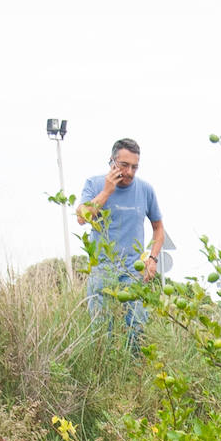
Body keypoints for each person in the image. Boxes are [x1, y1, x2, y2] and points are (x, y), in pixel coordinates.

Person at [76, 138, 164, 349]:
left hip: (133, 271)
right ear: (112, 162)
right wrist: (107, 191)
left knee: (137, 330)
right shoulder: (94, 184)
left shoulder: (146, 190)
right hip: (102, 270)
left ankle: (135, 376)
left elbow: (158, 228)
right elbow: (82, 217)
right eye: (124, 165)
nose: (130, 172)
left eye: (135, 167)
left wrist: (152, 259)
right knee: (101, 331)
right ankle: (102, 376)